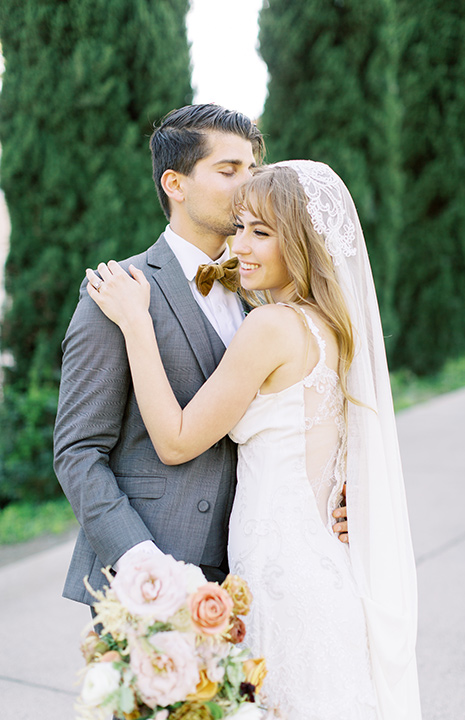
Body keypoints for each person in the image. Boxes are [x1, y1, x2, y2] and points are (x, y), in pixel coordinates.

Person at [85, 161, 422, 720]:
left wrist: (136, 324)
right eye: (239, 226)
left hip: (280, 576)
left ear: (304, 242)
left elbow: (175, 440)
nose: (239, 245)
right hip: (319, 566)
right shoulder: (330, 326)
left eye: (261, 233)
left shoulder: (269, 328)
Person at [53, 103, 350, 607]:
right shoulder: (116, 293)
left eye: (253, 169)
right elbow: (77, 452)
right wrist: (140, 559)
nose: (248, 184)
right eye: (228, 170)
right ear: (175, 183)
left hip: (257, 572)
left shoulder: (263, 291)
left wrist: (341, 491)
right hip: (149, 580)